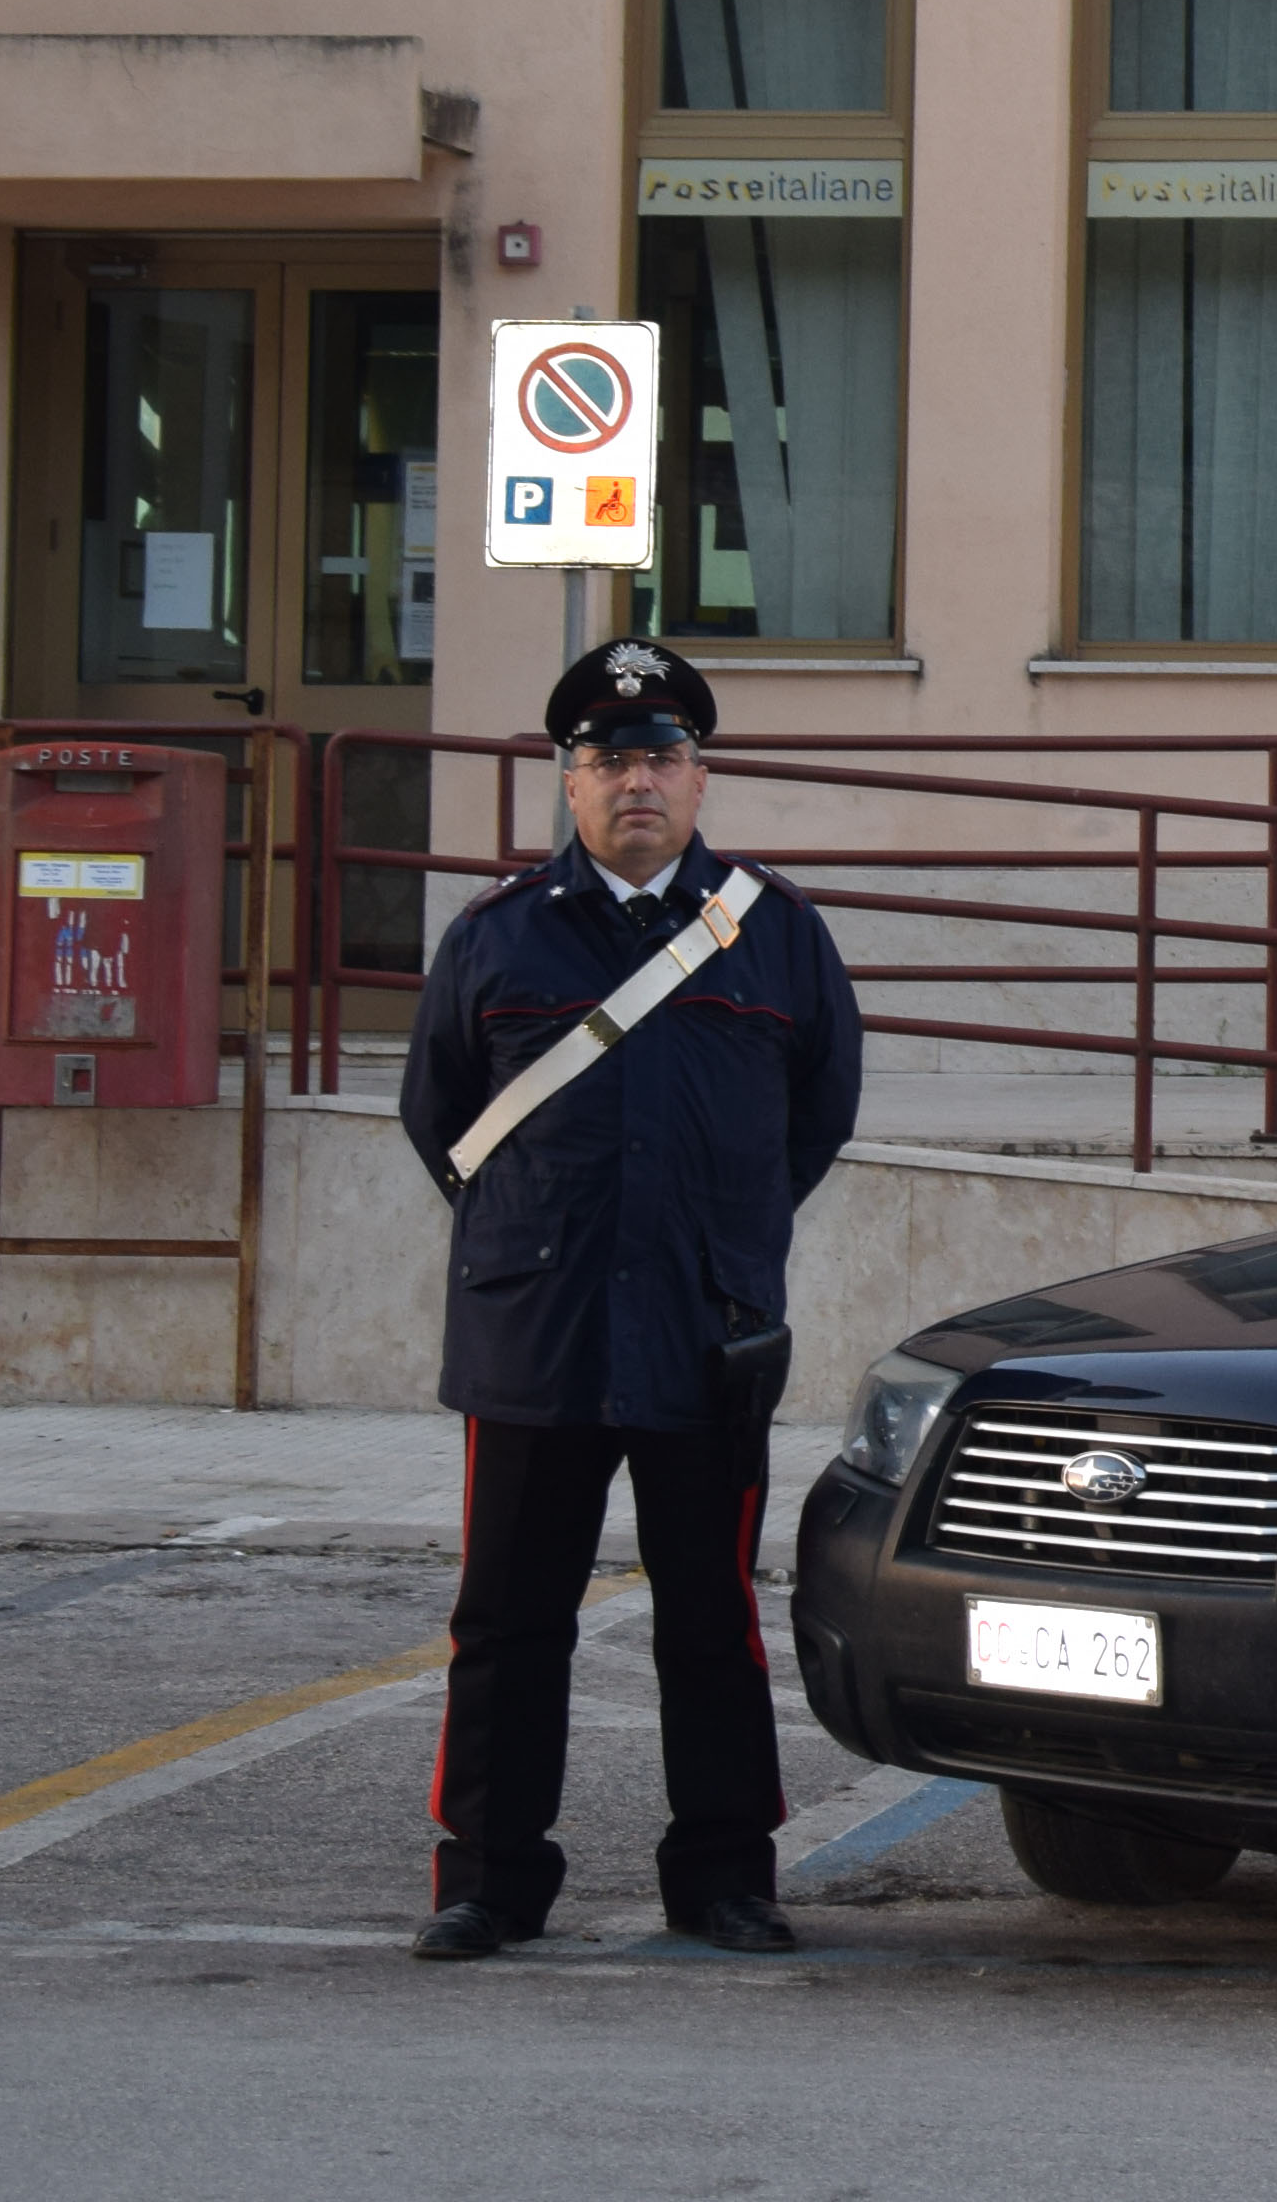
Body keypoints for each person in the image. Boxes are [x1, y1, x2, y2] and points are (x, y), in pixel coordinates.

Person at [399, 638, 864, 1960]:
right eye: (606, 760)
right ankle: (488, 1879)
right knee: (508, 1623)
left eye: (660, 756)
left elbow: (816, 1115)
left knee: (710, 1619)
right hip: (535, 1337)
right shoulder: (498, 938)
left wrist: (723, 1242)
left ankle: (722, 1876)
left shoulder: (775, 937)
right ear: (568, 781)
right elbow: (443, 1121)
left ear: (701, 776)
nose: (636, 782)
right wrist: (540, 1243)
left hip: (704, 1334)